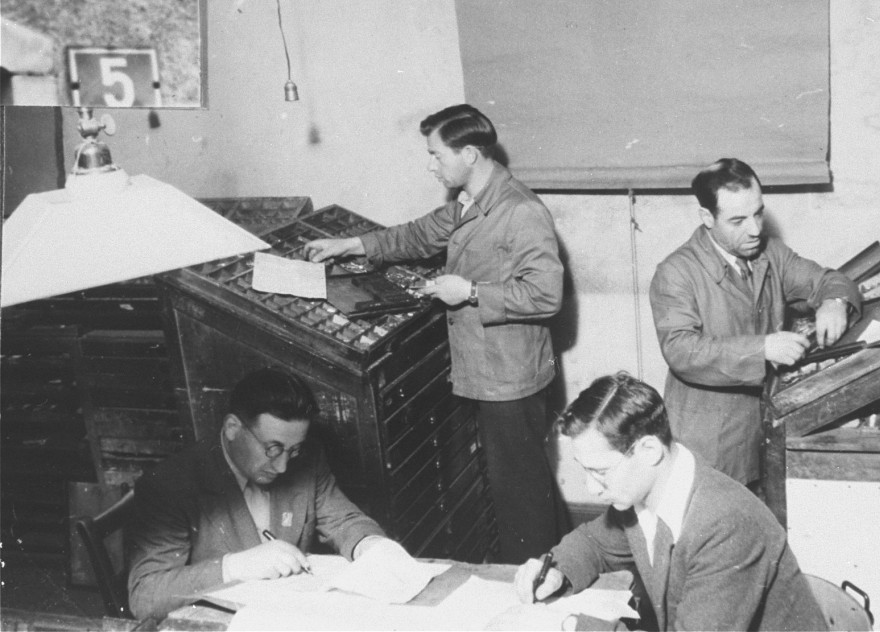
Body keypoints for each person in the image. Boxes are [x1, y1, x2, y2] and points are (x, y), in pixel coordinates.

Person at [303, 104, 565, 563]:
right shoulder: (472, 200)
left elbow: (546, 294)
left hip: (509, 377)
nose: (430, 165)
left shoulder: (519, 210)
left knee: (520, 493)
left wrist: (469, 291)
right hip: (488, 369)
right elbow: (420, 235)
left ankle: (536, 583)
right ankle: (555, 561)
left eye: (436, 155)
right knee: (524, 484)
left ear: (468, 153)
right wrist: (352, 244)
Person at [504, 373, 826, 632]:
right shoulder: (647, 493)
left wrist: (580, 627)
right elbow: (594, 543)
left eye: (600, 472)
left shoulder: (725, 525)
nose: (591, 487)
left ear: (649, 451)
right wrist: (556, 568)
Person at [649, 158, 861, 486]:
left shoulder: (770, 252)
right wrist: (763, 348)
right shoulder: (675, 273)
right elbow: (681, 351)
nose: (756, 229)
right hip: (710, 443)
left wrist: (835, 302)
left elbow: (825, 280)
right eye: (738, 220)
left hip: (764, 428)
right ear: (707, 217)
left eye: (758, 212)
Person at [127, 368, 388, 619]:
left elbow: (344, 520)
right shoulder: (170, 484)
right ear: (232, 427)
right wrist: (234, 567)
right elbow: (145, 596)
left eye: (294, 449)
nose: (283, 466)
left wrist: (372, 546)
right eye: (272, 449)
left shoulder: (307, 460)